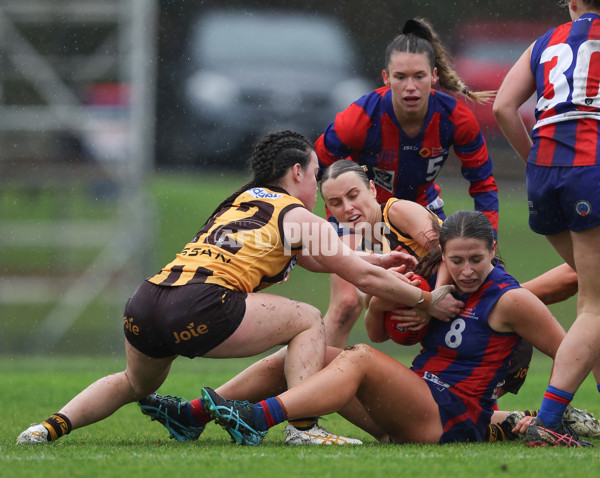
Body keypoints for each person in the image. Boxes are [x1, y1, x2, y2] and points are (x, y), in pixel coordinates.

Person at [15, 130, 462, 446]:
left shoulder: (240, 200)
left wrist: (379, 258)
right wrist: (427, 300)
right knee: (307, 319)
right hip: (202, 305)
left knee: (134, 381)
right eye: (314, 174)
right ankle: (303, 428)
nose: (319, 190)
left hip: (146, 302)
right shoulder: (297, 213)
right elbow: (357, 278)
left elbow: (319, 259)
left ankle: (48, 428)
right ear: (296, 172)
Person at [192, 210, 590, 446]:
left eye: (476, 260)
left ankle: (257, 418)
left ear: (492, 252)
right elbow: (379, 329)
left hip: (448, 419)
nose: (466, 270)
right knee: (309, 350)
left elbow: (570, 350)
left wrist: (549, 418)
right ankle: (193, 414)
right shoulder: (441, 286)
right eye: (457, 260)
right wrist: (409, 305)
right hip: (410, 408)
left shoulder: (511, 299)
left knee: (360, 358)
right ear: (443, 255)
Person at [314, 17, 498, 348]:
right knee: (345, 306)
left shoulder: (457, 119)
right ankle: (311, 391)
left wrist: (488, 240)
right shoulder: (359, 119)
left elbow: (483, 185)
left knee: (470, 289)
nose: (410, 86)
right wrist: (330, 220)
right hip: (363, 216)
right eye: (400, 77)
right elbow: (318, 165)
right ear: (386, 78)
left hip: (422, 212)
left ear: (434, 77)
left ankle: (449, 386)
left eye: (419, 76)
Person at [493, 0, 600, 447]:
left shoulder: (545, 41)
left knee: (593, 302)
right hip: (589, 169)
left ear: (573, 3)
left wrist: (536, 161)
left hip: (545, 175)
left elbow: (502, 107)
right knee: (595, 307)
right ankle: (550, 419)